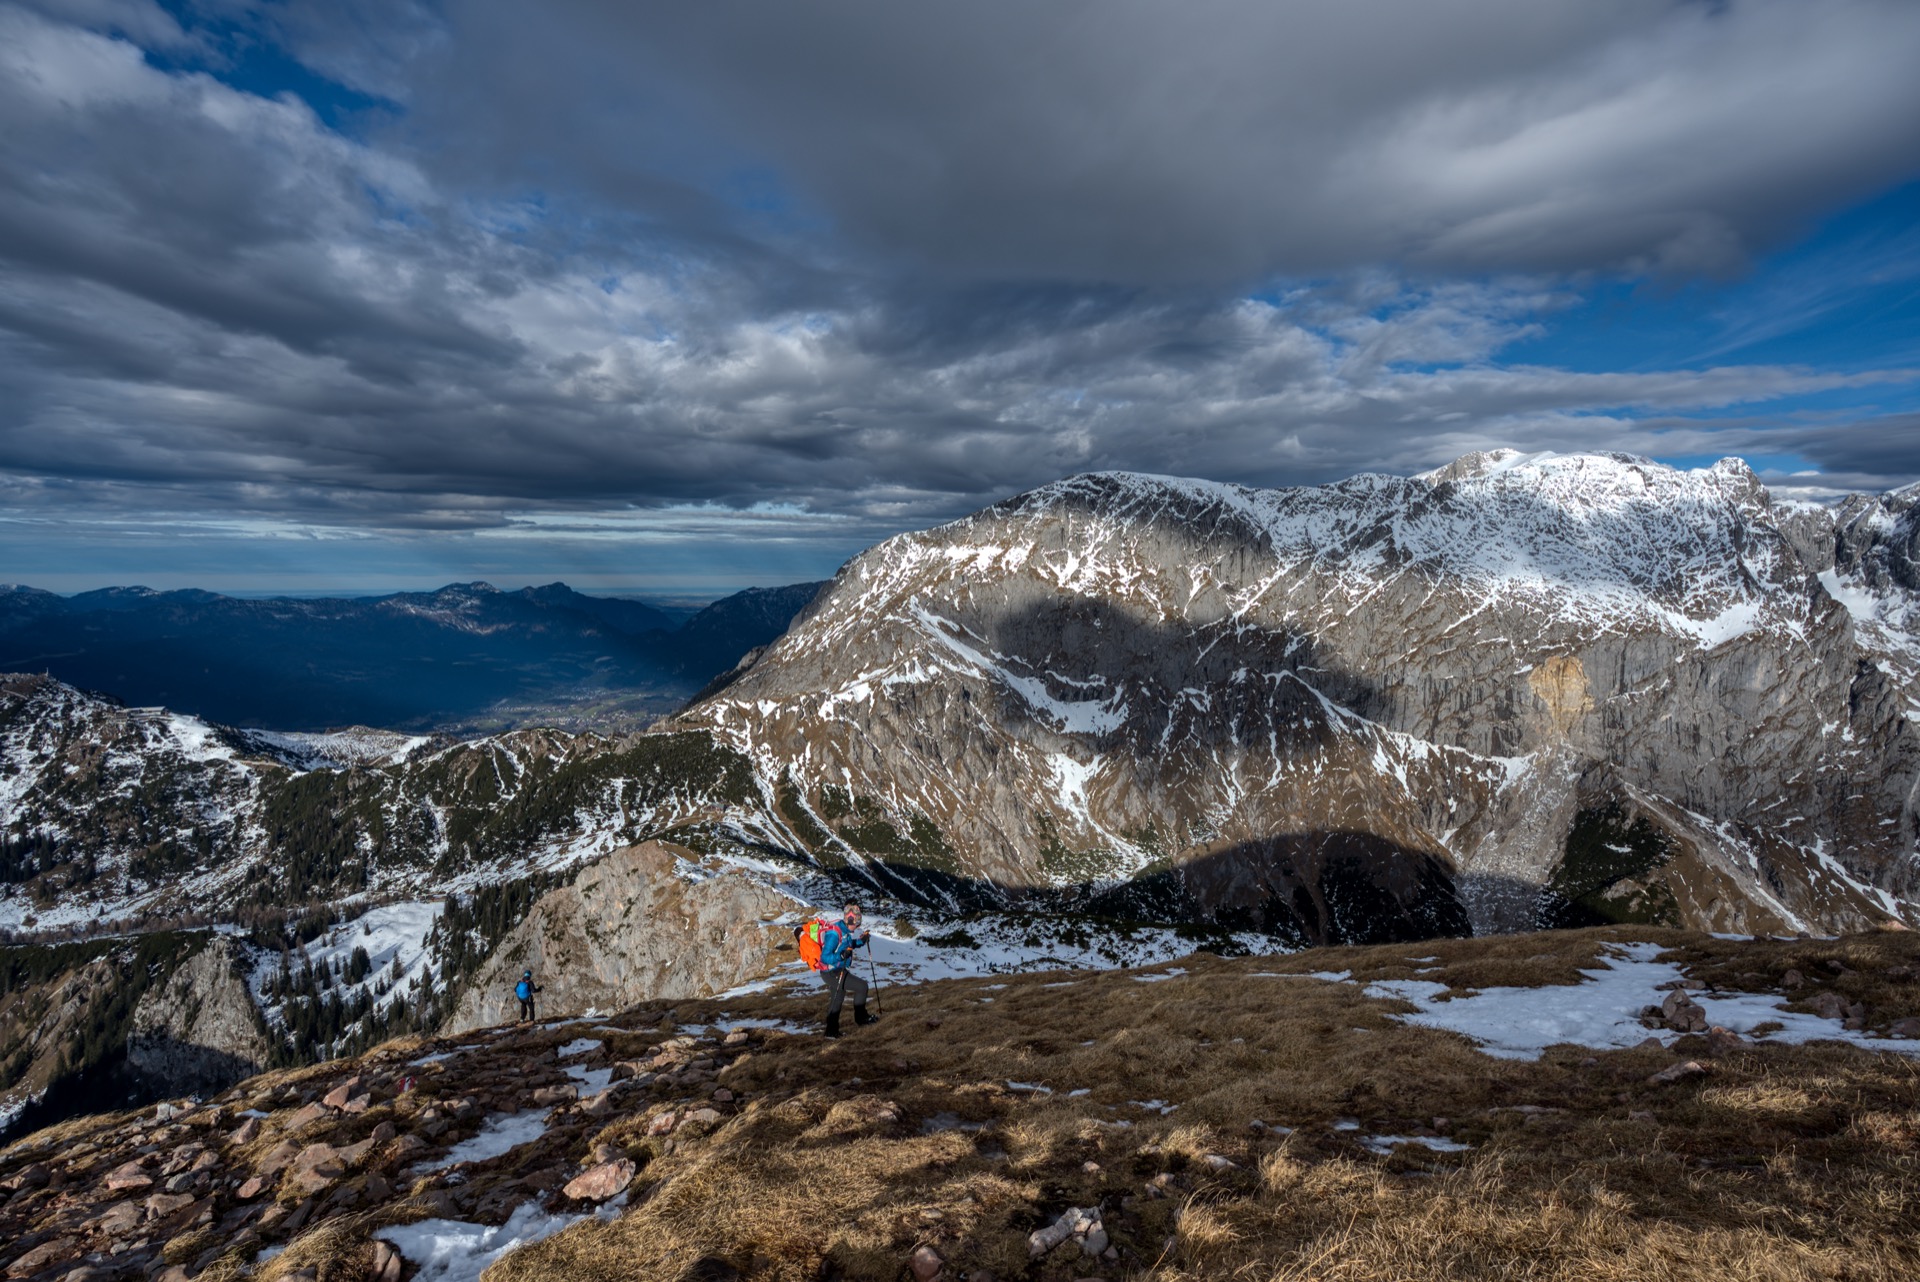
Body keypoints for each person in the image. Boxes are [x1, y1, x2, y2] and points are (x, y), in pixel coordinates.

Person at [819, 900, 877, 1039]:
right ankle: (861, 1019)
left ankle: (831, 1032)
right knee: (862, 987)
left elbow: (849, 944)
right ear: (850, 920)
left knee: (837, 999)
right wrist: (840, 955)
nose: (857, 927)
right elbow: (825, 957)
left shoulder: (843, 929)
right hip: (831, 972)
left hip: (837, 969)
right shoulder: (834, 934)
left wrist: (861, 941)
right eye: (856, 925)